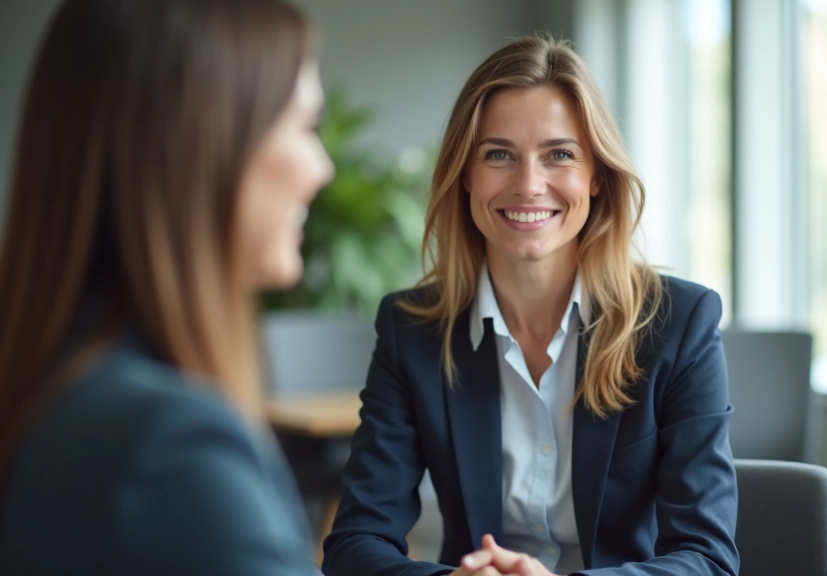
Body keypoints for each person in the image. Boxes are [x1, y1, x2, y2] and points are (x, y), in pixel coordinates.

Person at [322, 35, 739, 576]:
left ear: (596, 178)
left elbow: (708, 559)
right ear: (465, 175)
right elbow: (355, 543)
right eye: (499, 154)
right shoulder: (413, 330)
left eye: (559, 155)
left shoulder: (678, 324)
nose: (528, 184)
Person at [0, 0, 334, 574]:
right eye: (305, 126)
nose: (321, 167)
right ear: (203, 141)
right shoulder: (173, 449)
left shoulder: (57, 387)